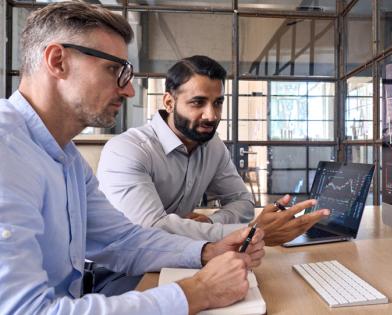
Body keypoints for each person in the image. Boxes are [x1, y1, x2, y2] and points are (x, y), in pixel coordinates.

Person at [0, 2, 265, 314]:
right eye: (114, 70)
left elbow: (121, 241)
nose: (128, 92)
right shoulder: (7, 150)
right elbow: (26, 311)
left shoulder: (68, 159)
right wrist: (195, 293)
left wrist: (207, 251)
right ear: (58, 61)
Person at [97, 55, 331, 245]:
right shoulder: (127, 150)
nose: (212, 115)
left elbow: (242, 201)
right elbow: (150, 230)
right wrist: (251, 232)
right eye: (198, 103)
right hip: (119, 273)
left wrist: (210, 224)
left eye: (218, 102)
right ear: (169, 102)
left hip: (180, 258)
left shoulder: (212, 145)